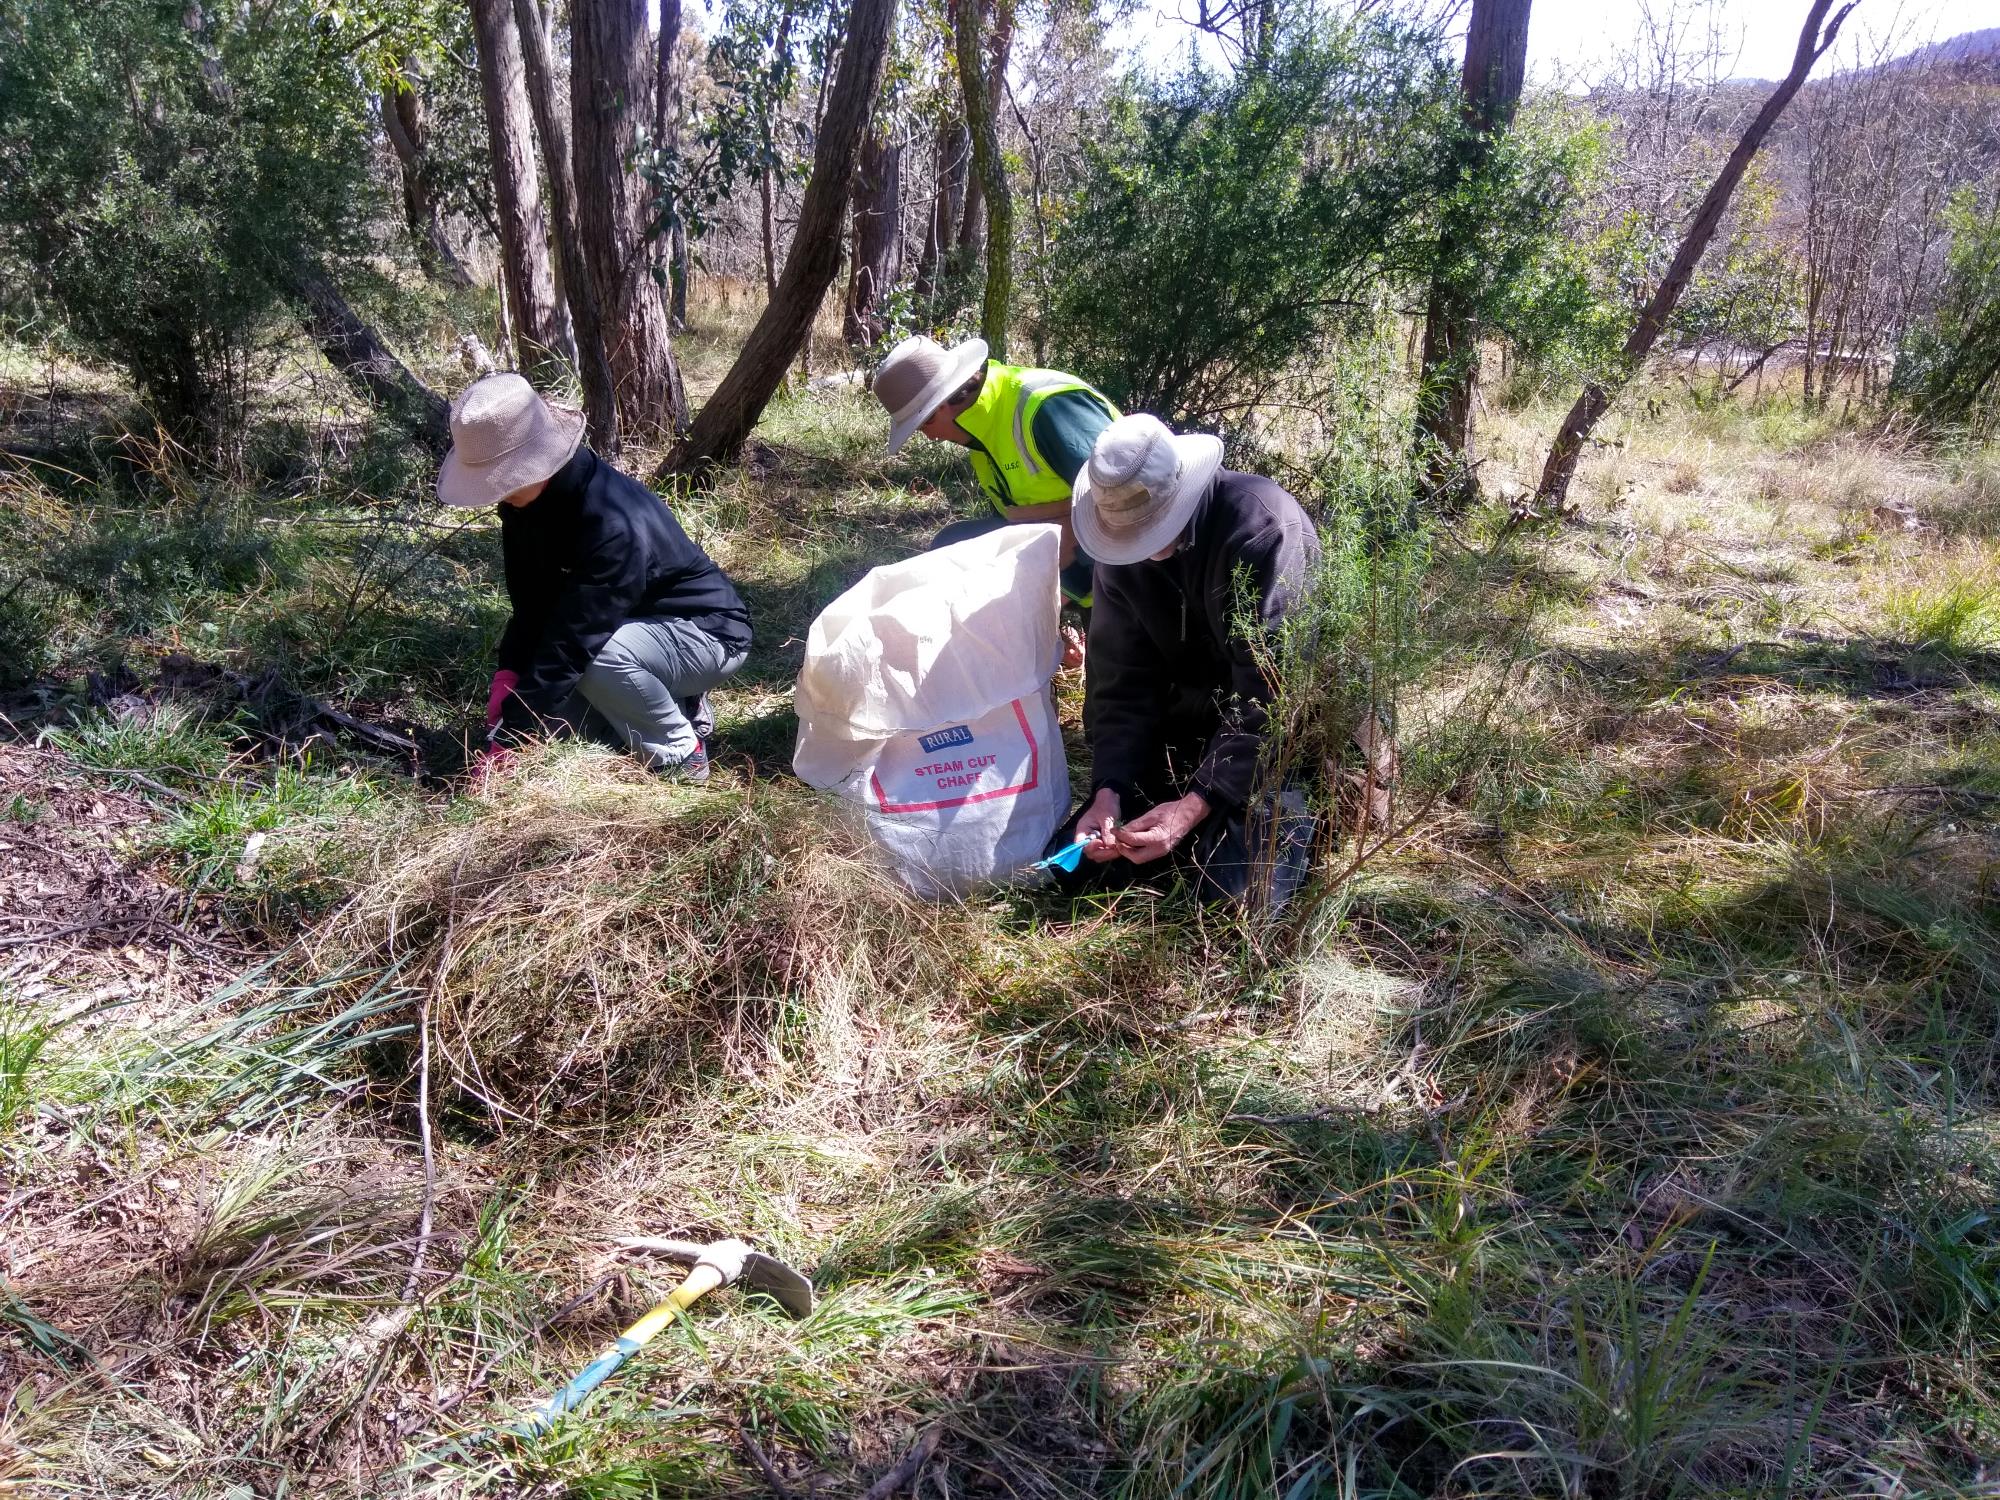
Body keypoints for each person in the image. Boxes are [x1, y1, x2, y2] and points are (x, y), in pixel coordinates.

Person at [1046, 413, 1321, 909]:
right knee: (1076, 864)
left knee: (1229, 898)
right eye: (1130, 537)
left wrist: (1194, 806)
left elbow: (1275, 692)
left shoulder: (1262, 530)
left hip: (1286, 736)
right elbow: (1119, 683)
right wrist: (1110, 788)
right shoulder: (1118, 555)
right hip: (1189, 720)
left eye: (1153, 531)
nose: (1144, 550)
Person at [438, 373, 752, 782]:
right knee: (557, 724)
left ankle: (680, 753)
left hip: (707, 635)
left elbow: (573, 643)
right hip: (627, 630)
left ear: (535, 463)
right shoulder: (524, 507)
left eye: (504, 480)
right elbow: (533, 606)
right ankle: (679, 702)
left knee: (596, 660)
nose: (498, 493)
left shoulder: (612, 524)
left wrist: (510, 737)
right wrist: (510, 673)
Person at [871, 335, 1118, 663]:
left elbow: (1125, 500)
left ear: (938, 407)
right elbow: (1009, 530)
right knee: (953, 545)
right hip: (1072, 564)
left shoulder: (1043, 407)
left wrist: (1051, 596)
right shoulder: (981, 436)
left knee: (1110, 706)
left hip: (1128, 569)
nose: (928, 437)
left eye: (921, 425)